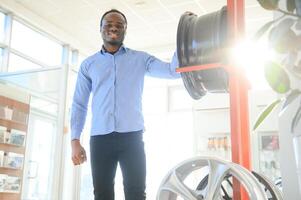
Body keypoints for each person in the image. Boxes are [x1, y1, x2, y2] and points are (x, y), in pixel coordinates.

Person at [70, 9, 180, 200]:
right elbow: (79, 103)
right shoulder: (88, 65)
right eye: (108, 25)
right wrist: (75, 140)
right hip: (100, 139)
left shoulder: (140, 59)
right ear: (101, 29)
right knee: (102, 194)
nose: (113, 28)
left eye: (119, 25)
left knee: (136, 193)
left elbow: (172, 71)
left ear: (125, 30)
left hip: (132, 138)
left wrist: (183, 39)